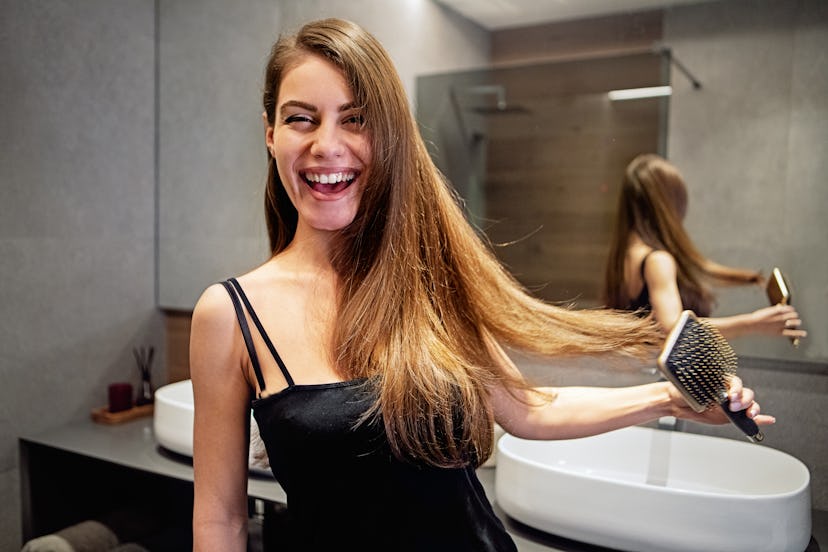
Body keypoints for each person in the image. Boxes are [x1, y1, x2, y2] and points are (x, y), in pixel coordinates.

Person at [190, 19, 774, 552]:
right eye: (301, 118)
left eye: (355, 118)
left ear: (388, 136)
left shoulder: (425, 283)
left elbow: (530, 411)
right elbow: (219, 517)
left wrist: (672, 399)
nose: (328, 146)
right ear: (270, 133)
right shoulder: (229, 316)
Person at [604, 153, 807, 341]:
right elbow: (672, 328)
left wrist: (749, 278)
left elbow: (698, 267)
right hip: (663, 373)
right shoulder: (658, 260)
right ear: (670, 202)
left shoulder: (624, 256)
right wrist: (752, 323)